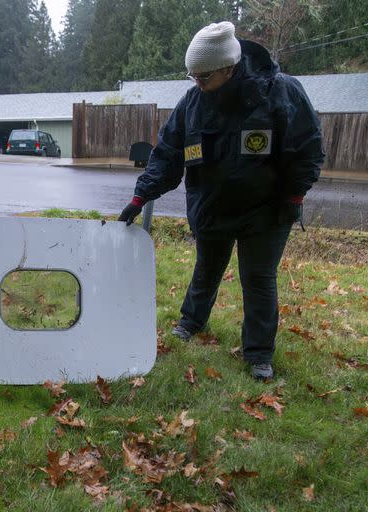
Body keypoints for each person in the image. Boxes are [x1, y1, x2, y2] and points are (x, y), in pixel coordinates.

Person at [118, 22, 324, 380]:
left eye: (204, 76)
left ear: (228, 68)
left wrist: (294, 195)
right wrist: (141, 195)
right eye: (192, 76)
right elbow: (167, 153)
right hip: (211, 206)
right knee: (206, 269)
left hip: (266, 210)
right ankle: (191, 322)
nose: (196, 83)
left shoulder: (279, 92)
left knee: (258, 278)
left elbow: (308, 149)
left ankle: (259, 353)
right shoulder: (193, 103)